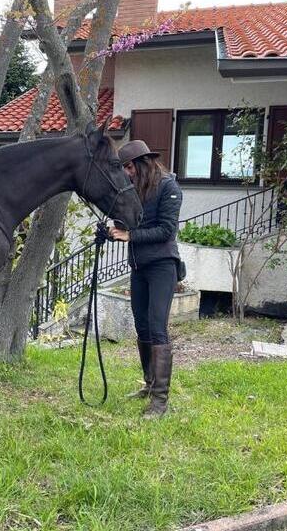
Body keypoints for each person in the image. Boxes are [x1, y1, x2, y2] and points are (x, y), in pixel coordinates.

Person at [109, 140, 182, 418]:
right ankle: (150, 385)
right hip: (139, 267)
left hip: (163, 267)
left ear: (142, 163)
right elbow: (128, 224)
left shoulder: (169, 187)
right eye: (124, 167)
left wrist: (130, 236)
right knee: (141, 326)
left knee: (157, 327)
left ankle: (160, 401)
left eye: (129, 166)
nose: (127, 172)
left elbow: (166, 230)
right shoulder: (135, 191)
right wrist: (112, 231)